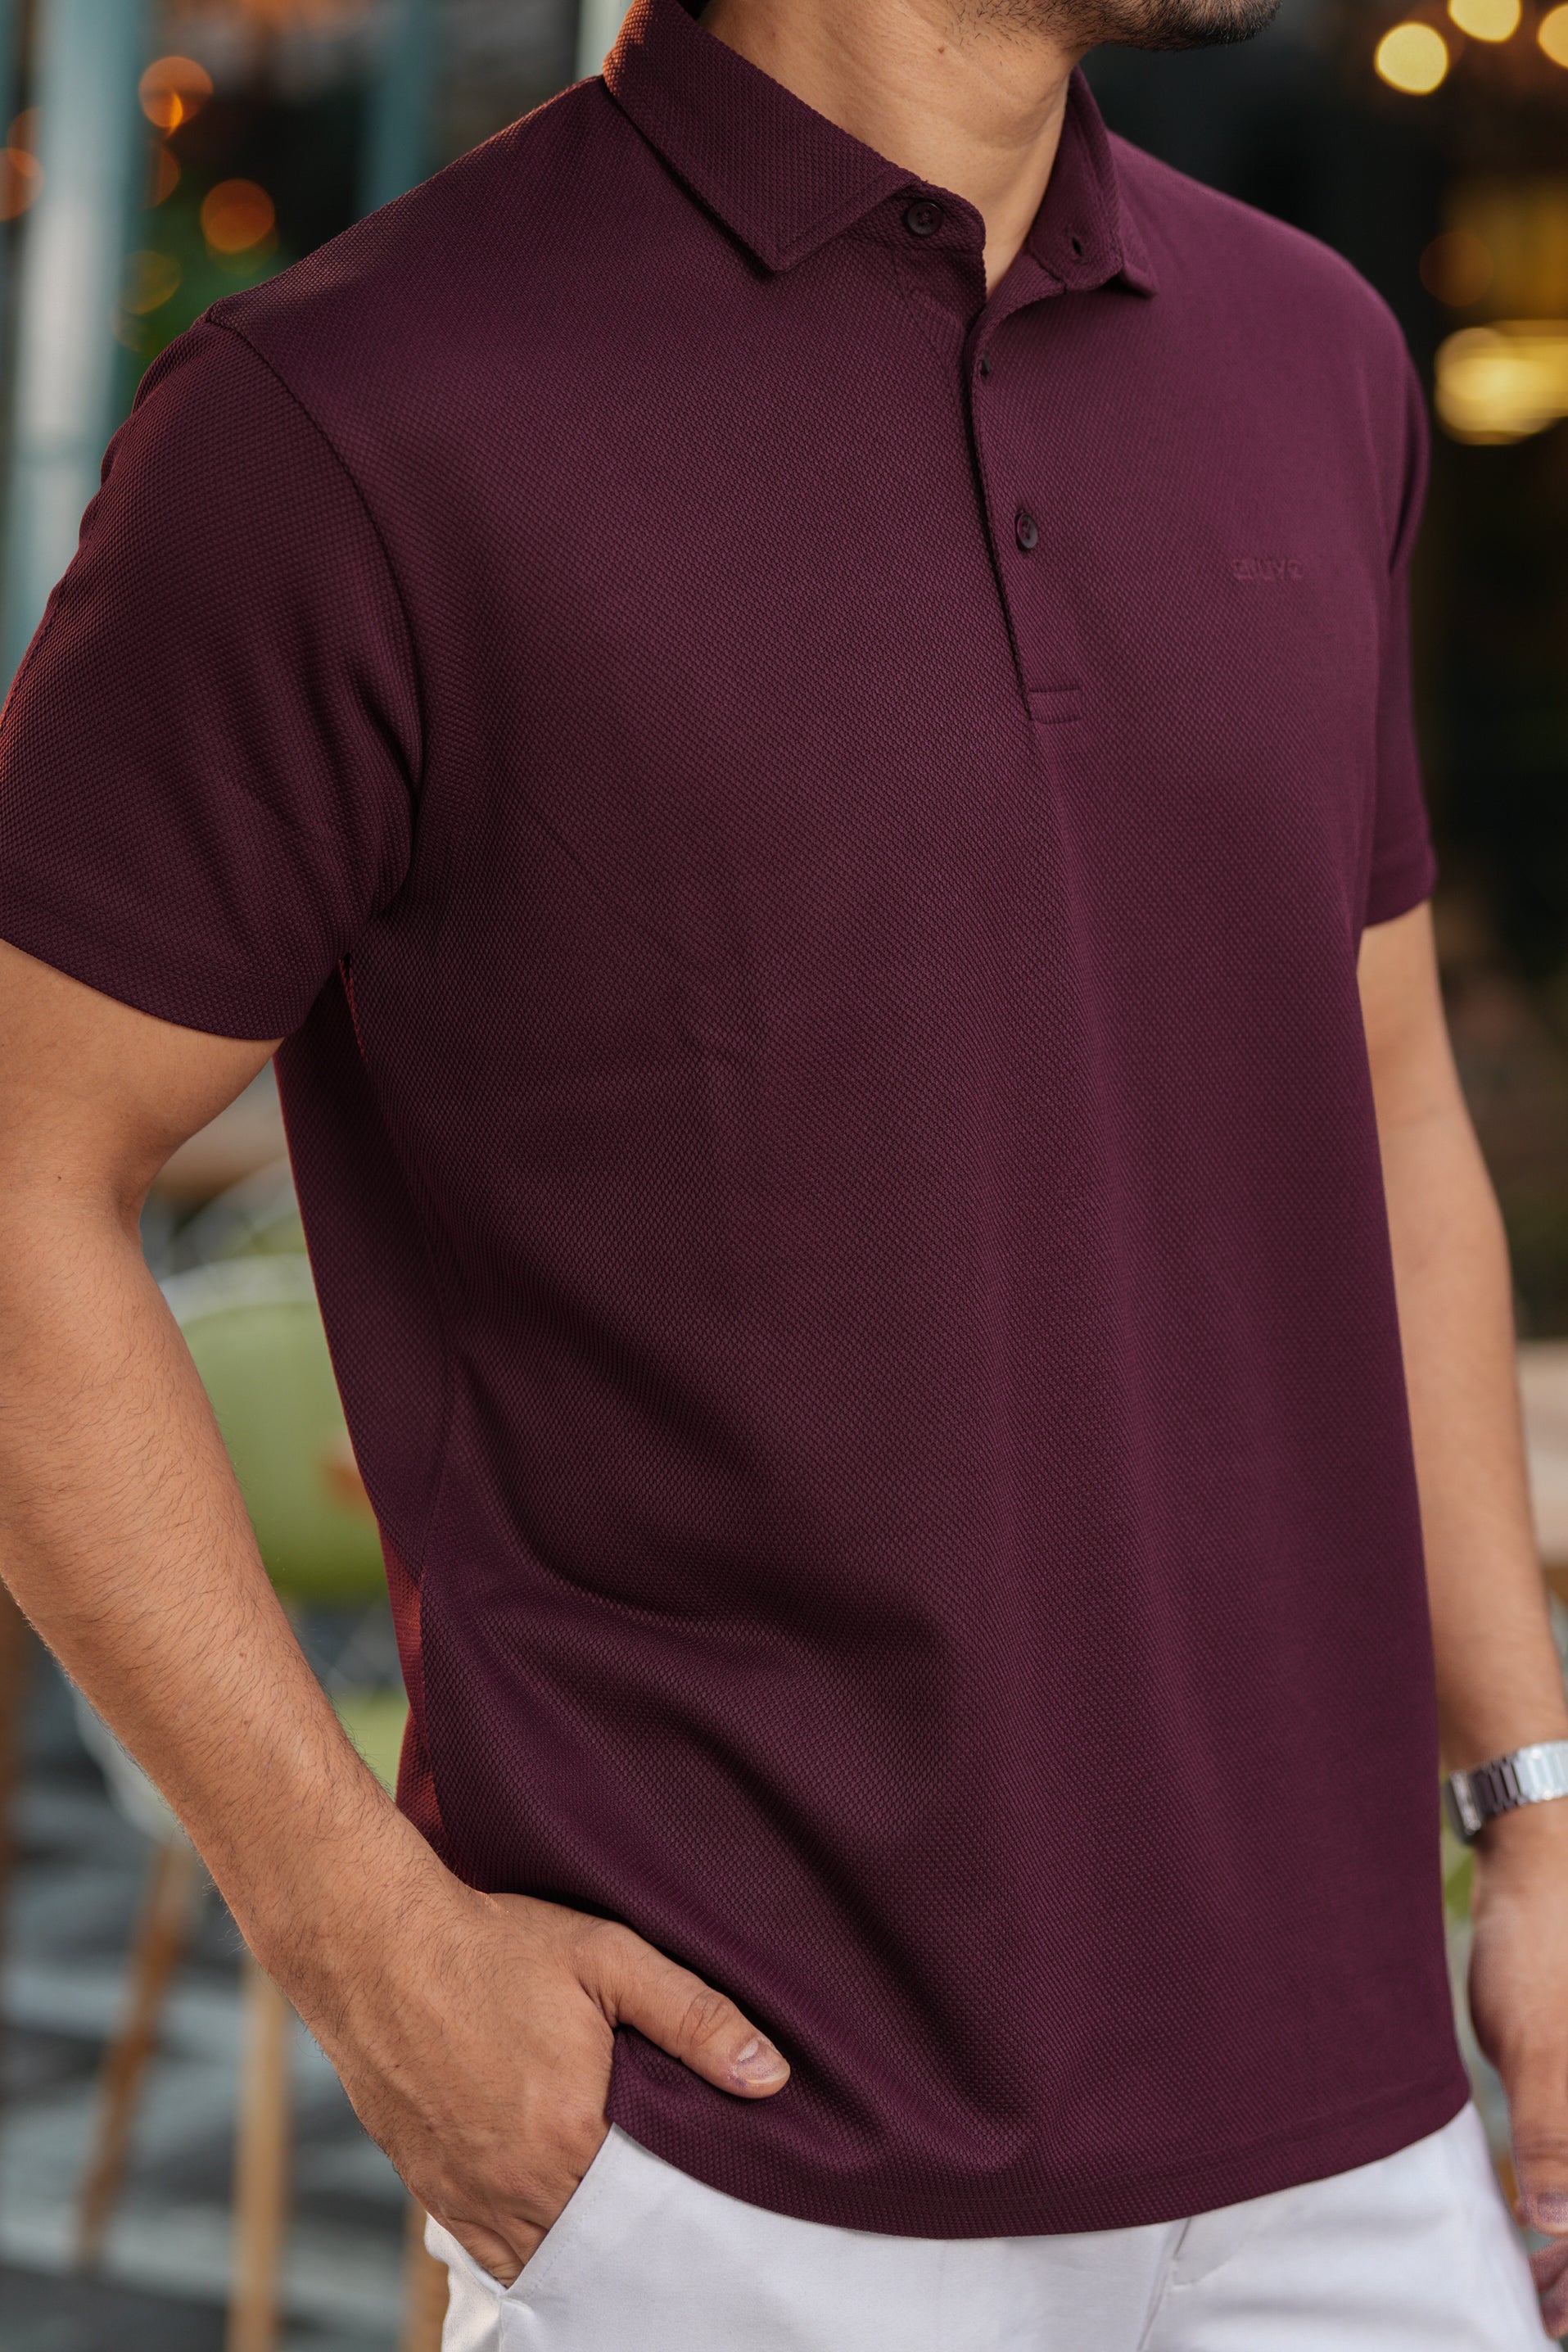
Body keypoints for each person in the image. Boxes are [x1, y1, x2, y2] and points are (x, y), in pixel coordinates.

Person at [0, 0, 1565, 2341]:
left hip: (1358, 2142)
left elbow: (1380, 1094)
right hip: (726, 2180)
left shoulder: (1308, 349)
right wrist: (361, 1938)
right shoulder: (353, 422)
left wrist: (1528, 1795)